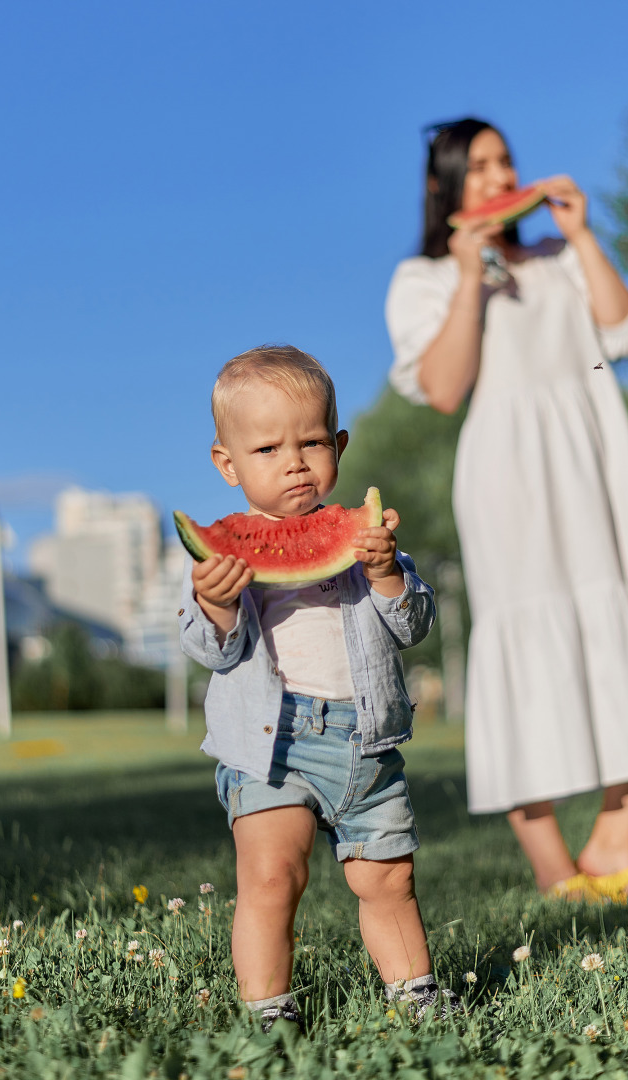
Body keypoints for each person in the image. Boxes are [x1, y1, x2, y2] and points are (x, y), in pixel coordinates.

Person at [385, 118, 628, 902]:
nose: (498, 174)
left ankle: (615, 845)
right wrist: (471, 272)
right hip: (507, 478)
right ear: (442, 184)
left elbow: (622, 329)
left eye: (505, 160)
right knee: (525, 646)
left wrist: (580, 237)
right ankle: (553, 871)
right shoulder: (424, 280)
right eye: (477, 165)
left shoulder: (553, 260)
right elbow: (444, 389)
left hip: (598, 463)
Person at [178, 344, 458, 1032]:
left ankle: (414, 994)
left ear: (338, 446)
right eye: (268, 448)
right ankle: (269, 1009)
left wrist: (390, 574)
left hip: (367, 742)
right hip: (271, 748)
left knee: (386, 879)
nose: (294, 461)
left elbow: (413, 623)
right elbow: (213, 648)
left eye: (310, 442)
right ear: (228, 464)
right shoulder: (227, 556)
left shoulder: (367, 541)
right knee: (272, 878)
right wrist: (216, 604)